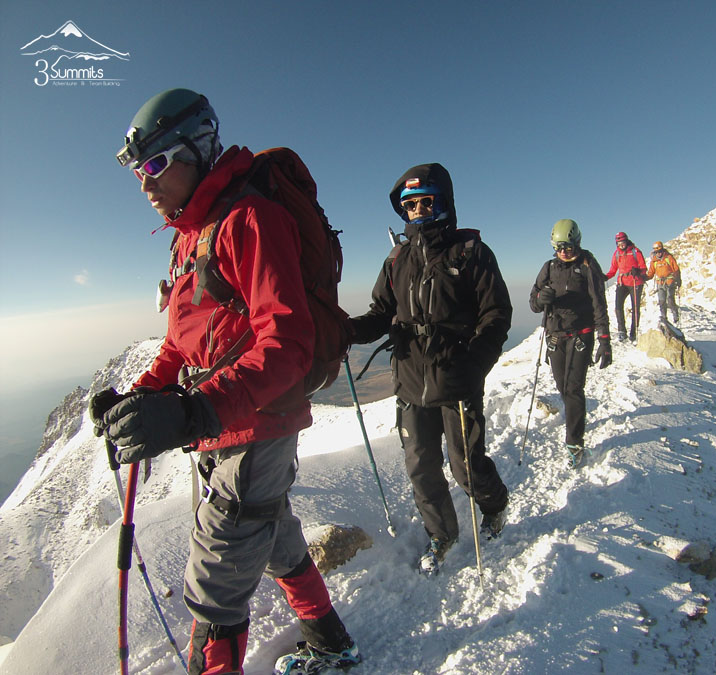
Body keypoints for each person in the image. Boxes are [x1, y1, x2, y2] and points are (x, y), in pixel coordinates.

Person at [90, 89, 359, 675]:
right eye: (139, 170)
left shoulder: (249, 219)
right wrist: (140, 396)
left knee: (213, 588)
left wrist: (192, 412)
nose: (145, 183)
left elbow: (287, 345)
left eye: (156, 164)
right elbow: (179, 342)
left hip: (256, 425)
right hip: (221, 424)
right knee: (278, 538)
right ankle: (332, 641)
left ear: (198, 149)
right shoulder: (190, 238)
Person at [348, 163, 511, 575]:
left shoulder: (471, 252)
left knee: (466, 466)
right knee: (420, 465)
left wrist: (474, 367)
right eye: (410, 204)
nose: (418, 210)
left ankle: (495, 505)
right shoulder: (398, 258)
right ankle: (442, 533)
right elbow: (381, 314)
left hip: (457, 377)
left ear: (443, 202)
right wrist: (343, 331)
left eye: (426, 201)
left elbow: (496, 315)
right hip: (410, 379)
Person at [530, 219, 612, 468]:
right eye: (559, 248)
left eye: (568, 247)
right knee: (563, 387)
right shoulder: (549, 267)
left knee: (574, 389)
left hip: (580, 334)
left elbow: (599, 302)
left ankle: (575, 442)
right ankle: (575, 420)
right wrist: (541, 299)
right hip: (555, 336)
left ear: (577, 243)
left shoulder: (588, 266)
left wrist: (605, 340)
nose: (564, 252)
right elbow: (533, 304)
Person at [606, 231, 647, 342]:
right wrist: (605, 277)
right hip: (622, 282)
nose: (621, 245)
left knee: (635, 308)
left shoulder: (635, 251)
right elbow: (613, 270)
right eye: (619, 243)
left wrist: (638, 271)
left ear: (626, 240)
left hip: (635, 281)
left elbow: (643, 267)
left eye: (623, 242)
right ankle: (622, 331)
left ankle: (633, 332)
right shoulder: (617, 254)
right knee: (618, 307)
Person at [646, 240, 682, 323]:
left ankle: (675, 314)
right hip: (660, 283)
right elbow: (651, 273)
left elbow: (676, 269)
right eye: (656, 252)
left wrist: (678, 279)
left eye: (659, 251)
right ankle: (664, 317)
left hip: (670, 281)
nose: (658, 253)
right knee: (661, 301)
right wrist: (643, 277)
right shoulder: (654, 261)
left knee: (670, 299)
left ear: (662, 250)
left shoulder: (669, 258)